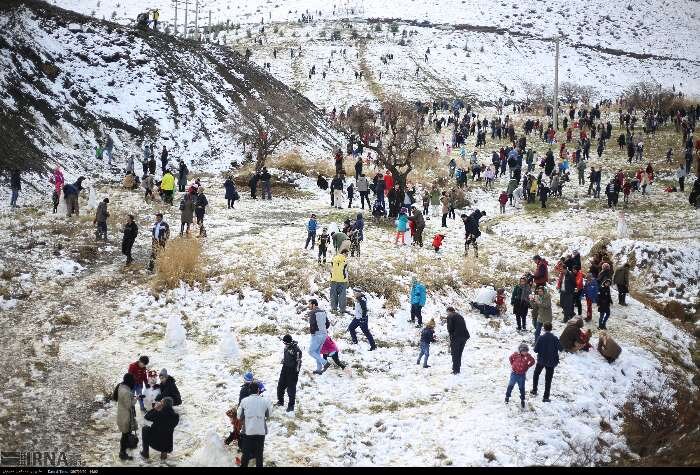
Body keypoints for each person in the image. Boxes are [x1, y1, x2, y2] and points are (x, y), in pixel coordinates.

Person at [237, 381, 273, 467]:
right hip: (261, 432)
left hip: (248, 432)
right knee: (259, 455)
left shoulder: (244, 401)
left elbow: (239, 416)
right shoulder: (265, 401)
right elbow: (268, 415)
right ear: (258, 390)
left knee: (245, 454)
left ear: (249, 390)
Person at [531, 322, 562, 402]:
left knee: (536, 374)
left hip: (541, 360)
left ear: (544, 328)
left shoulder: (541, 338)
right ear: (551, 329)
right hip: (551, 362)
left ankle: (534, 390)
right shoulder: (555, 338)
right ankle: (546, 397)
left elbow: (535, 350)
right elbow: (561, 348)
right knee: (548, 379)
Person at [505, 343, 536, 409]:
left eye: (526, 351)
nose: (525, 352)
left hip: (522, 375)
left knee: (522, 387)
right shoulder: (516, 355)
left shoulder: (528, 356)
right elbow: (510, 358)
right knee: (510, 385)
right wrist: (513, 364)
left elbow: (533, 361)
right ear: (520, 351)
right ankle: (507, 396)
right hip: (514, 374)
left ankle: (522, 399)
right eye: (523, 351)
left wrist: (527, 366)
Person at [276, 334, 302, 412]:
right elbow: (286, 356)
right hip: (284, 369)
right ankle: (280, 401)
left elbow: (299, 361)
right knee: (280, 387)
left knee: (291, 390)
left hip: (292, 371)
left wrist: (296, 371)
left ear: (289, 342)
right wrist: (284, 360)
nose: (284, 344)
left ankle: (291, 406)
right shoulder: (286, 347)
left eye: (285, 343)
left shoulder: (296, 350)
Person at [116, 373, 138, 460]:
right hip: (126, 417)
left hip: (122, 415)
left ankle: (127, 446)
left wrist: (131, 397)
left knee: (126, 434)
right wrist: (135, 399)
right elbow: (129, 405)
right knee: (125, 435)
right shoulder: (126, 392)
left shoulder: (121, 387)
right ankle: (122, 453)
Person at [306, 299, 330, 375]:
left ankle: (325, 362)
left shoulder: (313, 313)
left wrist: (312, 333)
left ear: (313, 305)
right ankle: (319, 369)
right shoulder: (323, 311)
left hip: (317, 335)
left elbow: (312, 324)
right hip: (324, 334)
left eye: (309, 304)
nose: (308, 306)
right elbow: (328, 324)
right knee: (317, 352)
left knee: (311, 351)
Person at [446, 307, 469, 374]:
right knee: (459, 353)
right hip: (464, 336)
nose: (447, 314)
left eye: (447, 312)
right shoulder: (460, 316)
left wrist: (451, 336)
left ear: (449, 311)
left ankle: (455, 370)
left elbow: (450, 328)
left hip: (456, 337)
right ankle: (457, 368)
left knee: (455, 354)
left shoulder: (450, 316)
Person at [329, 248, 349, 314]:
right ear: (343, 253)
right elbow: (346, 271)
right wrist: (347, 280)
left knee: (333, 295)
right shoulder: (345, 260)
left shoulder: (333, 259)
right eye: (346, 254)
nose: (347, 255)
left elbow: (331, 268)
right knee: (342, 296)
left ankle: (333, 309)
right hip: (342, 280)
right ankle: (342, 310)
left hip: (333, 279)